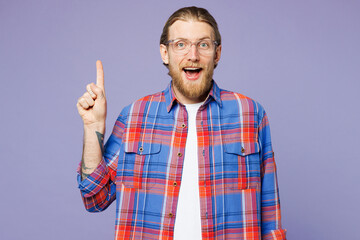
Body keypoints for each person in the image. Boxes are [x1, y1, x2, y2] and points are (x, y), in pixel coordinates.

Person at [76, 6, 286, 240]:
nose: (193, 55)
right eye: (181, 44)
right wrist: (92, 127)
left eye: (203, 44)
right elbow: (95, 198)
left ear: (217, 53)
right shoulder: (134, 116)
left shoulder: (250, 114)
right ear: (165, 53)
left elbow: (270, 215)